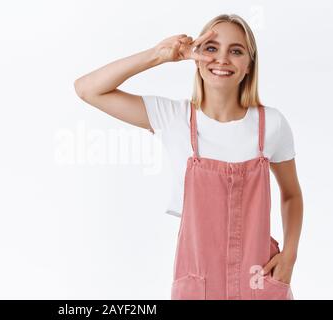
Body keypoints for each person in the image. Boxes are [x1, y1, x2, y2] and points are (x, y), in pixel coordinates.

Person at [74, 13, 303, 300]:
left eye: (236, 51)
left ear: (249, 65)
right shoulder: (174, 118)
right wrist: (158, 55)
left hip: (259, 280)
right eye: (211, 48)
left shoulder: (271, 124)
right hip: (199, 284)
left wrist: (290, 256)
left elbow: (292, 194)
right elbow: (87, 89)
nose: (222, 59)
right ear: (196, 58)